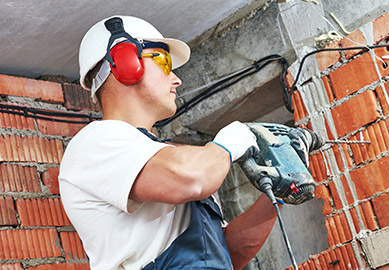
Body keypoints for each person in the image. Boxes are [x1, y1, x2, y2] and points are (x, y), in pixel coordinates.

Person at [59, 15, 281, 270]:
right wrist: (231, 142)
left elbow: (225, 253)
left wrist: (275, 194)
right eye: (164, 62)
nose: (177, 79)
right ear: (125, 62)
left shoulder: (163, 157)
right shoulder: (93, 144)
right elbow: (191, 177)